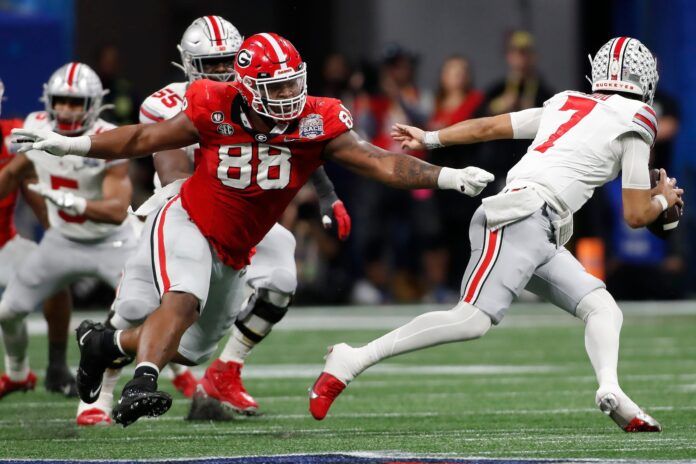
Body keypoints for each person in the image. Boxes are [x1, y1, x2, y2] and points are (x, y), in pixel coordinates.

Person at [13, 32, 494, 427]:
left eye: (293, 85)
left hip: (238, 244)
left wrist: (448, 176)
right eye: (276, 88)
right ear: (245, 87)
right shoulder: (211, 104)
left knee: (193, 349)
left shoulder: (316, 120)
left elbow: (378, 162)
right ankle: (141, 381)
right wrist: (70, 145)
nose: (288, 96)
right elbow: (143, 138)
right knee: (183, 297)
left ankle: (102, 345)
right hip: (188, 217)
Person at [309, 37, 680, 433]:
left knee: (602, 306)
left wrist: (432, 138)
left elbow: (491, 126)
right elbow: (637, 214)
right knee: (471, 320)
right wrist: (665, 200)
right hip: (521, 217)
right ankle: (353, 358)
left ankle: (611, 388)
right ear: (644, 79)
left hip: (541, 227)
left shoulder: (568, 102)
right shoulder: (639, 118)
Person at [81, 16, 353, 426]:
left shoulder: (259, 96)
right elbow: (174, 173)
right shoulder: (169, 103)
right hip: (180, 212)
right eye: (212, 64)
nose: (223, 71)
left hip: (243, 220)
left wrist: (329, 195)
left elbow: (300, 141)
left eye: (229, 60)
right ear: (190, 64)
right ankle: (98, 394)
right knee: (136, 306)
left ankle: (227, 371)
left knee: (281, 277)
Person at [0, 64, 138, 401]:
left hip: (113, 241)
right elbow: (14, 172)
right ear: (49, 100)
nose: (66, 110)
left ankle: (171, 377)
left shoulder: (107, 137)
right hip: (62, 240)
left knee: (139, 309)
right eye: (61, 101)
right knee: (7, 312)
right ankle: (18, 374)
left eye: (76, 103)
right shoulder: (35, 127)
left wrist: (76, 204)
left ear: (93, 104)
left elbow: (117, 210)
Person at [0, 79, 75, 399]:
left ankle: (55, 367)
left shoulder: (13, 136)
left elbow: (31, 179)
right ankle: (18, 372)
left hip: (5, 243)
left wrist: (54, 231)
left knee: (55, 275)